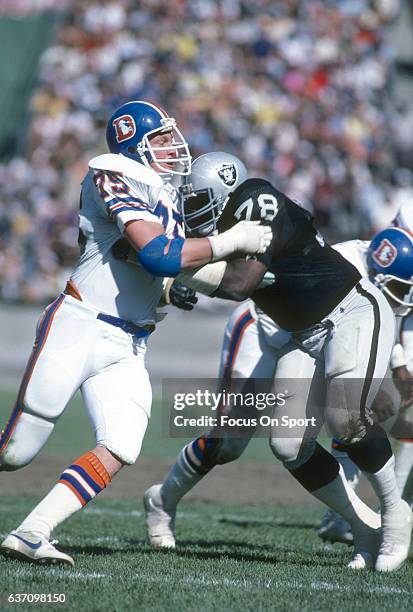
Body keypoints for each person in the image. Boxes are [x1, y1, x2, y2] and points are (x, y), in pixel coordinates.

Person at [0, 106, 272, 566]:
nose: (173, 147)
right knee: (14, 453)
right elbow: (159, 254)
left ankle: (31, 532)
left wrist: (183, 284)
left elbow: (146, 262)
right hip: (81, 324)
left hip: (129, 343)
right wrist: (228, 242)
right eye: (162, 139)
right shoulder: (112, 171)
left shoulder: (166, 196)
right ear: (132, 142)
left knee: (122, 443)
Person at [144, 152, 412, 572]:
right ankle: (363, 526)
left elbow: (238, 283)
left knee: (346, 418)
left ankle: (395, 513)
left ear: (222, 190)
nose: (190, 207)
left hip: (349, 313)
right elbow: (213, 275)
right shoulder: (221, 224)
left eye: (198, 198)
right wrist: (172, 277)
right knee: (284, 443)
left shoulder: (256, 201)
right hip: (296, 332)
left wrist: (176, 270)